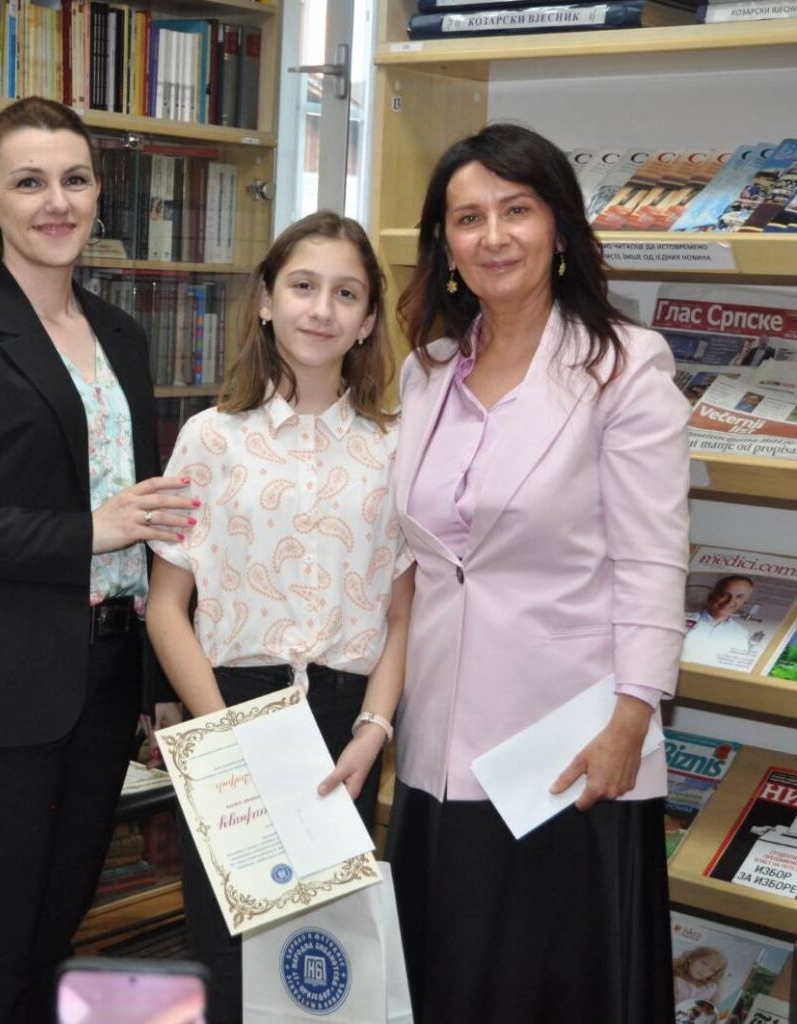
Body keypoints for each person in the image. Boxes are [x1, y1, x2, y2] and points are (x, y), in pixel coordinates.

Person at [0, 96, 195, 1024]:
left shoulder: (123, 334)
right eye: (28, 182)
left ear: (97, 194)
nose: (56, 202)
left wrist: (155, 683)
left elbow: (146, 523)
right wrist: (88, 532)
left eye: (74, 180)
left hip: (104, 678)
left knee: (55, 937)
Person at [387, 122, 690, 1022]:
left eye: (515, 210)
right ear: (445, 246)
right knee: (445, 981)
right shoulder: (426, 373)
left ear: (559, 225)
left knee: (551, 989)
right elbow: (422, 562)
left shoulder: (624, 366)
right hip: (437, 741)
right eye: (468, 218)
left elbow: (652, 557)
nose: (494, 236)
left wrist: (633, 717)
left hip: (566, 746)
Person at [145, 210, 415, 1024]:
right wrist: (225, 738)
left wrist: (374, 730)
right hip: (228, 712)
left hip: (344, 726)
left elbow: (402, 614)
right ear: (266, 301)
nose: (321, 309)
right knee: (229, 964)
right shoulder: (210, 439)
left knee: (325, 976)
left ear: (367, 321)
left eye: (346, 293)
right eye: (302, 286)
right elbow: (166, 607)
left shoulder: (395, 448)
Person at [682, 574, 754, 664]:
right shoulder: (680, 619)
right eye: (724, 595)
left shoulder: (741, 633)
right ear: (711, 596)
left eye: (739, 597)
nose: (730, 601)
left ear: (744, 602)